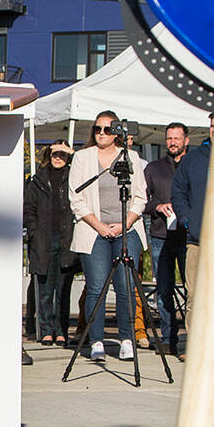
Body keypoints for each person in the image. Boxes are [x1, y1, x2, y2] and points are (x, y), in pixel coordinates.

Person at [70, 109, 148, 362]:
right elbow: (76, 199)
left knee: (125, 286)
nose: (102, 134)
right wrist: (100, 226)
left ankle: (127, 338)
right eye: (97, 129)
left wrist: (125, 223)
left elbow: (140, 196)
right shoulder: (83, 158)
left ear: (117, 133)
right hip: (94, 230)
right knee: (96, 287)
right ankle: (96, 341)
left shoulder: (131, 157)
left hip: (126, 230)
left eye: (107, 129)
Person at [24, 141, 78, 346]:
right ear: (49, 154)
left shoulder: (73, 178)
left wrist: (71, 153)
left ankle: (61, 329)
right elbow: (28, 208)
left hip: (67, 239)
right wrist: (34, 231)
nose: (58, 158)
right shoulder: (38, 180)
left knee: (63, 290)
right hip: (43, 239)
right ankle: (46, 329)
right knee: (45, 289)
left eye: (63, 155)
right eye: (55, 154)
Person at [146, 122, 190, 356]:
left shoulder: (194, 165)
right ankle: (168, 338)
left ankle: (191, 338)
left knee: (191, 289)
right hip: (160, 235)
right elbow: (141, 200)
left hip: (188, 236)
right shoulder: (154, 168)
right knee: (163, 290)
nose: (172, 142)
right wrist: (157, 206)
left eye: (177, 138)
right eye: (169, 138)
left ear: (186, 141)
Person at [170, 122, 210, 353]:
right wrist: (187, 219)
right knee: (194, 296)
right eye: (213, 126)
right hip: (196, 239)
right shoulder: (193, 160)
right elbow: (179, 192)